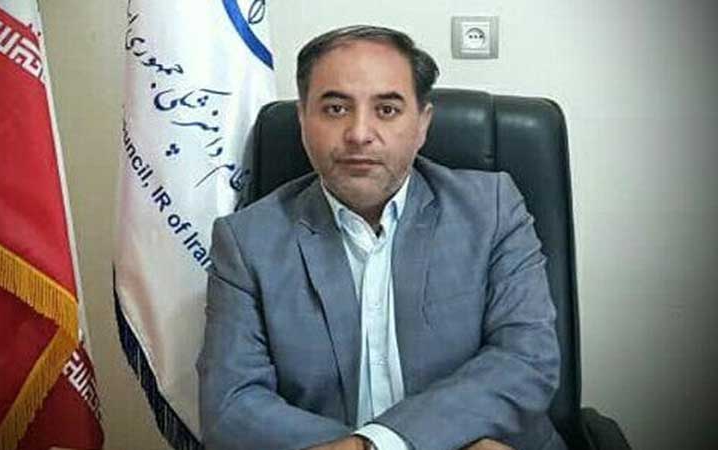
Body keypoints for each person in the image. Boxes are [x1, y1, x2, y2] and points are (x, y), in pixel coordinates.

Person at [197, 25, 567, 450]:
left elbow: (524, 361)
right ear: (302, 120)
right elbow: (232, 405)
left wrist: (380, 443)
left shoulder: (491, 210)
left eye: (387, 110)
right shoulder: (247, 240)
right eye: (336, 108)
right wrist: (367, 447)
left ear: (422, 124)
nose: (359, 133)